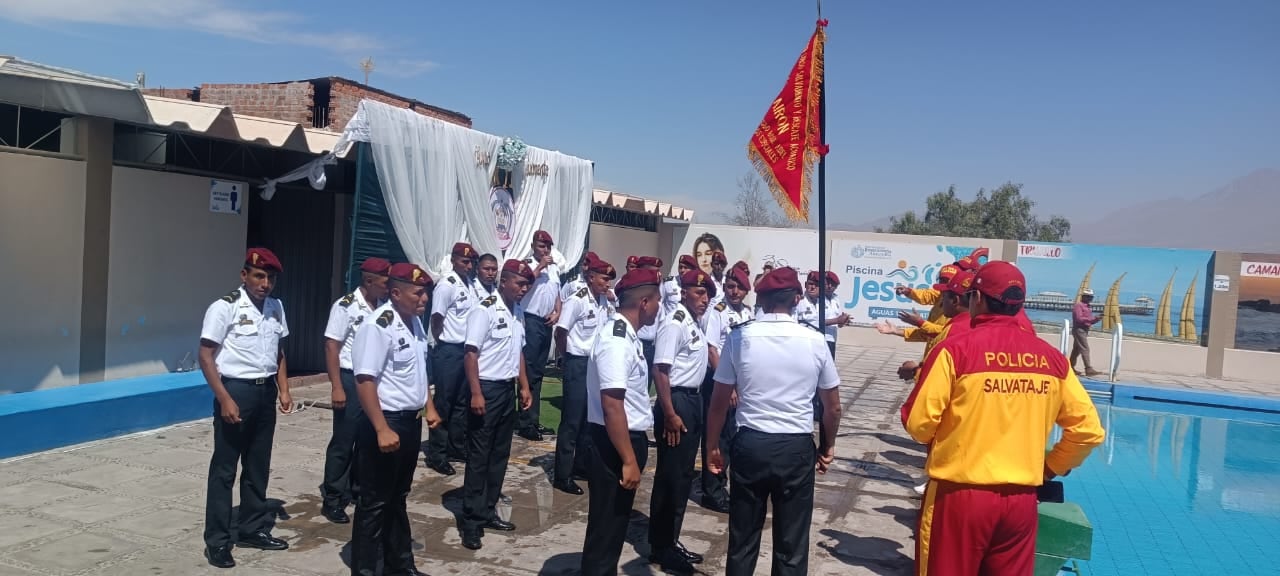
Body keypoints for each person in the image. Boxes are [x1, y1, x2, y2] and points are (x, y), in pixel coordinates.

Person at [904, 261, 1106, 575]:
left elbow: (919, 425)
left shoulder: (956, 351)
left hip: (960, 496)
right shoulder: (1051, 359)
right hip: (1022, 502)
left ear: (978, 300)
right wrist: (1050, 467)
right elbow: (1088, 431)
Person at [706, 266, 842, 576]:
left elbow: (718, 401)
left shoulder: (741, 337)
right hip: (795, 446)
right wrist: (827, 445)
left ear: (762, 299)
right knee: (791, 544)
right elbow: (832, 407)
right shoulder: (815, 340)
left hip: (751, 443)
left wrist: (713, 445)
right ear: (796, 298)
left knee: (743, 538)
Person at [199, 248, 293, 569]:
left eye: (271, 278)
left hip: (264, 393)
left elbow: (279, 351)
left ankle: (252, 529)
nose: (265, 284)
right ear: (244, 276)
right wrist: (224, 397)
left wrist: (284, 389)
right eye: (259, 276)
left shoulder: (276, 307)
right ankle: (218, 541)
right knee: (225, 471)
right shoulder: (224, 307)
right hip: (235, 391)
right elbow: (206, 355)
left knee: (257, 467)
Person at [350, 263, 441, 576]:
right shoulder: (379, 325)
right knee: (373, 504)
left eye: (426, 292)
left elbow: (418, 371)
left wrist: (428, 406)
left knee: (397, 498)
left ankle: (400, 567)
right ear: (396, 292)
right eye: (418, 292)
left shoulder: (413, 322)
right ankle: (364, 570)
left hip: (409, 423)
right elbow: (364, 381)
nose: (424, 299)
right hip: (386, 423)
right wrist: (381, 428)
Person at [580, 267, 663, 576]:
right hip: (614, 444)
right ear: (644, 302)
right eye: (657, 300)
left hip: (622, 440)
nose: (659, 307)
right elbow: (612, 404)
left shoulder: (627, 335)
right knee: (606, 528)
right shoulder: (616, 339)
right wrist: (628, 459)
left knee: (613, 527)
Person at [460, 259, 535, 550]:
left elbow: (519, 352)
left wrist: (524, 386)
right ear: (504, 281)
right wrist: (476, 393)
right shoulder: (484, 310)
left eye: (527, 285)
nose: (523, 289)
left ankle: (488, 510)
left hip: (507, 390)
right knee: (479, 457)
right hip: (487, 389)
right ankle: (471, 522)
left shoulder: (517, 311)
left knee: (499, 456)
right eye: (519, 283)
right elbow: (470, 354)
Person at [648, 270, 716, 571]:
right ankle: (661, 547)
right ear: (684, 292)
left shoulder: (693, 322)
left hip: (692, 399)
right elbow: (661, 370)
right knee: (671, 476)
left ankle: (670, 540)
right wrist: (671, 413)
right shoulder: (674, 323)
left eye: (707, 295)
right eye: (699, 293)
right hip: (676, 401)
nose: (704, 300)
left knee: (683, 475)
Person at [319, 257, 391, 524]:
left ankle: (359, 489)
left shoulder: (385, 307)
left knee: (368, 440)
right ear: (369, 280)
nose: (388, 286)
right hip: (350, 380)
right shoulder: (345, 306)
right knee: (343, 441)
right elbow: (331, 347)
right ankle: (333, 498)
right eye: (385, 282)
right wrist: (337, 386)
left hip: (374, 382)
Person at [551, 255, 616, 495]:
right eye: (603, 278)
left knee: (590, 420)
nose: (607, 283)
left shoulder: (604, 302)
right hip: (578, 362)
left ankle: (581, 466)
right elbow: (561, 331)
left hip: (596, 365)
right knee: (572, 420)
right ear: (590, 277)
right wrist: (565, 359)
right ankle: (563, 475)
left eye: (609, 279)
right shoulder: (577, 300)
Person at [698, 265, 752, 514]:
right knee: (717, 437)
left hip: (739, 384)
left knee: (732, 436)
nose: (733, 291)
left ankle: (721, 483)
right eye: (730, 286)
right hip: (720, 383)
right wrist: (726, 384)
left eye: (739, 287)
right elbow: (711, 349)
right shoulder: (717, 312)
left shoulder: (748, 313)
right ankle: (713, 492)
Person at [425, 242, 478, 476]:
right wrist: (442, 342)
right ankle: (437, 454)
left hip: (464, 350)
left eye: (470, 262)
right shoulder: (447, 285)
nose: (468, 265)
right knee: (444, 402)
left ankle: (456, 447)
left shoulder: (470, 285)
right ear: (454, 260)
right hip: (448, 349)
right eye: (464, 261)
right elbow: (437, 318)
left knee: (460, 403)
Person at [517, 230, 561, 441]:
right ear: (534, 245)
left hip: (546, 321)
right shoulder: (526, 265)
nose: (546, 250)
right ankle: (525, 422)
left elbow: (557, 294)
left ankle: (533, 419)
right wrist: (540, 266)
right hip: (530, 319)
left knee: (539, 372)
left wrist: (557, 312)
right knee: (530, 371)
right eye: (542, 246)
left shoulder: (554, 270)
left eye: (548, 247)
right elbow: (523, 285)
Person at [634, 255, 666, 383]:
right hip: (637, 342)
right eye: (653, 271)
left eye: (658, 271)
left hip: (652, 345)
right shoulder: (633, 288)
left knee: (646, 385)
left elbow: (661, 317)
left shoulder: (659, 287)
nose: (657, 274)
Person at [1072, 288, 1103, 377]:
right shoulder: (1079, 306)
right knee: (1085, 348)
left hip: (1084, 330)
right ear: (1083, 297)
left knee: (1076, 350)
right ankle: (1088, 368)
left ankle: (1070, 367)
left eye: (1091, 297)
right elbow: (1079, 319)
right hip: (1079, 329)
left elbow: (1089, 321)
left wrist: (1097, 319)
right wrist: (1093, 319)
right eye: (1089, 297)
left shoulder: (1088, 307)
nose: (1090, 299)